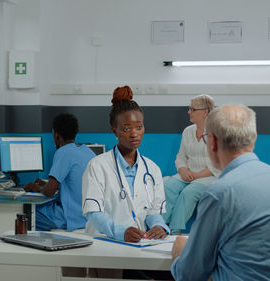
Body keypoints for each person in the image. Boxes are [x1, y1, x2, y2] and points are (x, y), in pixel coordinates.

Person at [171, 105, 270, 281]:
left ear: (213, 142)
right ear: (253, 139)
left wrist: (179, 254)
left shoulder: (219, 194)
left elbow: (190, 274)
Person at [82, 85, 169, 243]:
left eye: (139, 127)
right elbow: (93, 213)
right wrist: (119, 232)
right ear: (115, 130)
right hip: (102, 243)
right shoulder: (97, 166)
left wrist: (159, 226)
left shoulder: (152, 169)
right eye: (126, 128)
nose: (134, 133)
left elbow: (153, 212)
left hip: (138, 244)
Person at [24, 113, 96, 232]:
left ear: (56, 135)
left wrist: (38, 188)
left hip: (71, 218)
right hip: (88, 216)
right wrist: (45, 184)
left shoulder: (63, 152)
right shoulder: (87, 151)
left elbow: (49, 191)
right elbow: (74, 183)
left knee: (26, 214)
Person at [163, 94, 220, 233]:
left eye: (192, 109)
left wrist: (197, 175)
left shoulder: (218, 132)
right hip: (187, 173)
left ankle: (174, 231)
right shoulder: (188, 131)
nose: (189, 112)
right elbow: (181, 157)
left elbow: (219, 163)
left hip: (210, 176)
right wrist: (182, 170)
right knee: (167, 187)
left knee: (188, 193)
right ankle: (160, 226)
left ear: (205, 112)